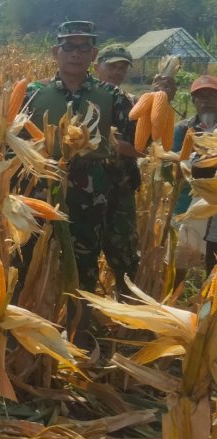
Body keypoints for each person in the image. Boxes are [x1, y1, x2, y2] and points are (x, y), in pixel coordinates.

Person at [25, 22, 135, 332]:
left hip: (90, 193)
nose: (76, 54)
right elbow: (13, 142)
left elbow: (135, 145)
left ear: (93, 54)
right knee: (31, 259)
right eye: (69, 47)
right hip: (41, 189)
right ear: (55, 52)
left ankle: (78, 330)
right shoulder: (34, 93)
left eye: (84, 47)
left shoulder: (111, 95)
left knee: (84, 264)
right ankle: (31, 329)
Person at [94, 44, 142, 294]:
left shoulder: (134, 104)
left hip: (121, 191)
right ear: (97, 66)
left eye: (123, 68)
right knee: (82, 253)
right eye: (112, 66)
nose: (117, 72)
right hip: (86, 190)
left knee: (124, 257)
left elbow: (145, 148)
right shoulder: (84, 97)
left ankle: (125, 305)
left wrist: (117, 147)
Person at [172, 75, 217, 273]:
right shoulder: (183, 129)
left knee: (213, 260)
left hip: (214, 206)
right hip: (187, 202)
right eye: (201, 96)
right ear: (193, 101)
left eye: (211, 95)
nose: (206, 100)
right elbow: (171, 166)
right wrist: (189, 164)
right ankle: (177, 289)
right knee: (182, 258)